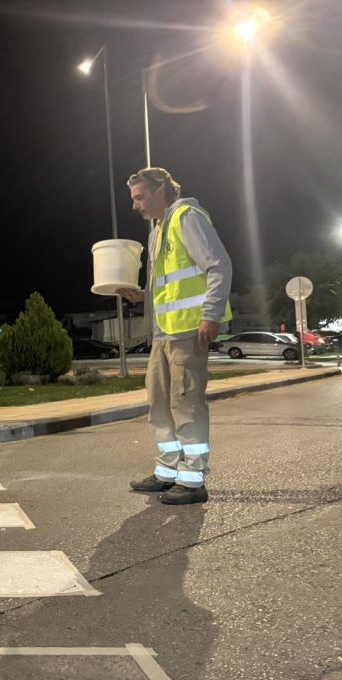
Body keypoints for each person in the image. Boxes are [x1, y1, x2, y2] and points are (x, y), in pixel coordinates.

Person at [117, 167, 233, 505]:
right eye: (133, 199)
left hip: (188, 330)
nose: (135, 205)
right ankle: (168, 471)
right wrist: (142, 295)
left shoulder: (186, 217)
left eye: (140, 197)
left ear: (162, 191)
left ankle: (194, 479)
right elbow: (169, 284)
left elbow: (219, 266)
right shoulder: (157, 231)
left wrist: (210, 315)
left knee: (187, 402)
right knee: (159, 405)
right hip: (163, 334)